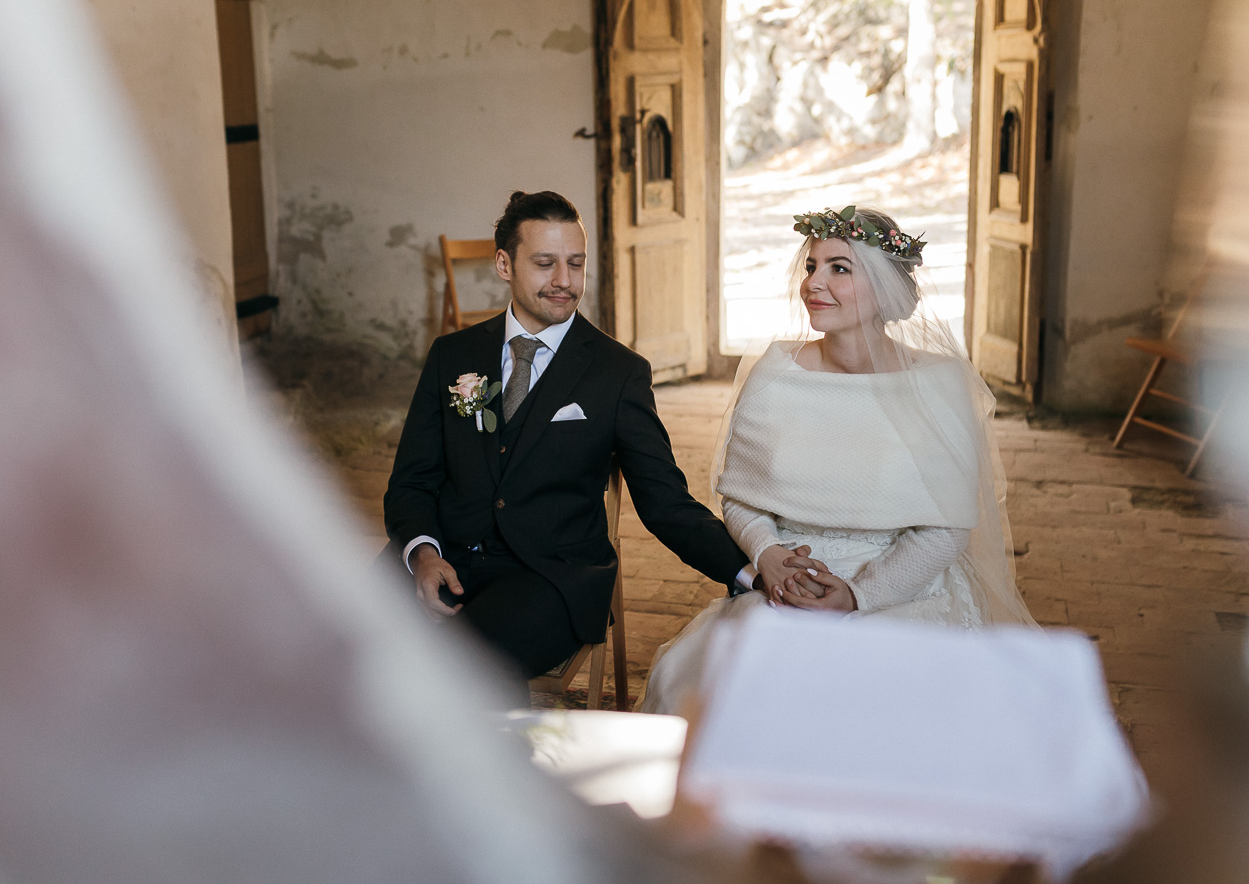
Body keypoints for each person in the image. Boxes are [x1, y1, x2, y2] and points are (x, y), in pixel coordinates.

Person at [641, 206, 1036, 716]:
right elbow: (740, 497)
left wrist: (857, 595)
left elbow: (946, 529)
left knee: (868, 699)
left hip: (902, 589)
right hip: (789, 583)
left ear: (886, 289)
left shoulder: (937, 386)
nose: (814, 283)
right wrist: (767, 556)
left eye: (839, 269)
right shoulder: (776, 375)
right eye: (811, 267)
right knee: (730, 690)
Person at [383, 190, 755, 684]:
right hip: (442, 554)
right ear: (504, 264)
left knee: (463, 673)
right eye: (544, 263)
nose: (564, 281)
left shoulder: (618, 373)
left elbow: (666, 501)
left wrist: (749, 573)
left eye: (575, 264)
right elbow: (412, 480)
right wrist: (423, 555)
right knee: (333, 646)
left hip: (550, 578)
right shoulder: (452, 356)